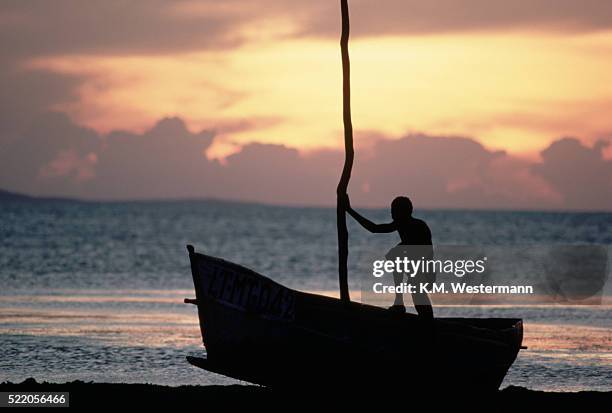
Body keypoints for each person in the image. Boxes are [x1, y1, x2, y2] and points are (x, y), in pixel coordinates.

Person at [341, 193, 434, 319]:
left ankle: (406, 308)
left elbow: (424, 252)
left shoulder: (416, 226)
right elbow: (374, 228)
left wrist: (349, 210)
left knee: (420, 300)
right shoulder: (403, 224)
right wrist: (349, 210)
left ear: (403, 213)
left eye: (394, 211)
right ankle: (400, 303)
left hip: (423, 270)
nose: (391, 214)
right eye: (392, 211)